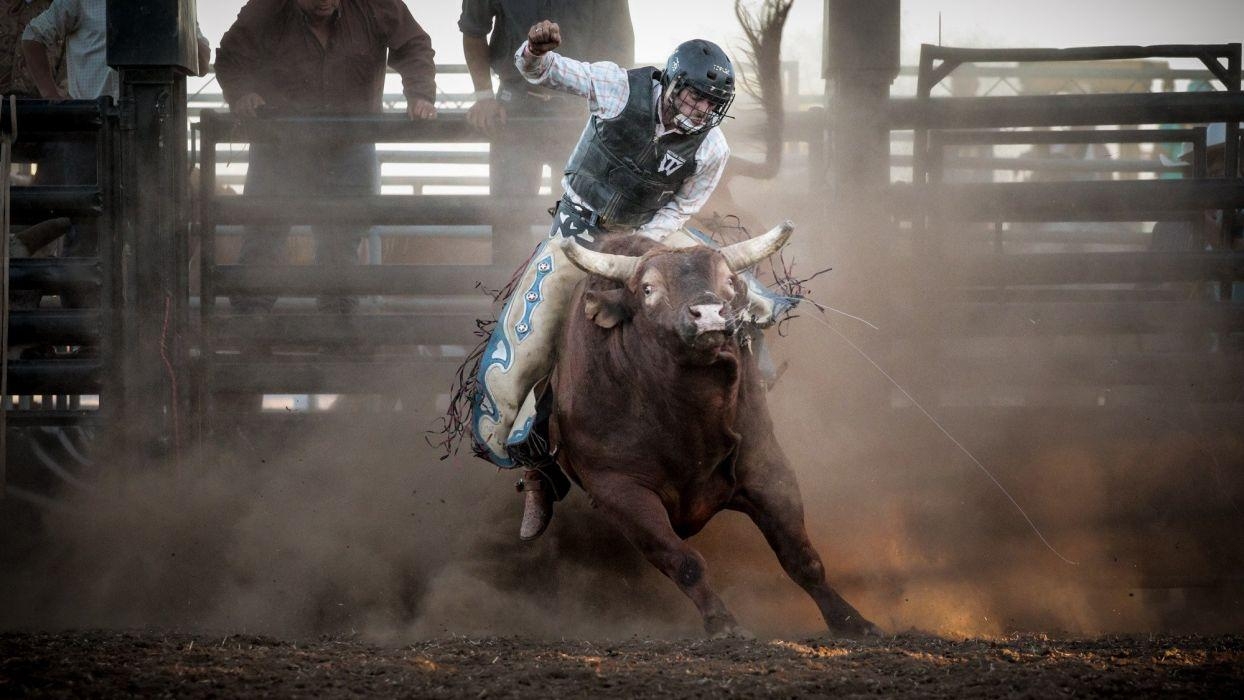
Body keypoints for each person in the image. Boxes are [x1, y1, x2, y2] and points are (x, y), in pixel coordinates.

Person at [470, 20, 791, 541]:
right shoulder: (617, 87)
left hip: (647, 238)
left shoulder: (712, 150)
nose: (698, 111)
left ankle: (751, 383)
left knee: (741, 290)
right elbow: (540, 73)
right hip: (577, 230)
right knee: (530, 338)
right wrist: (532, 50)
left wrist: (642, 251)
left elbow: (685, 205)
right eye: (692, 96)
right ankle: (535, 468)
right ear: (671, 84)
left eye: (710, 105)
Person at [214, 0, 436, 314]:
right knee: (262, 244)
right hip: (280, 149)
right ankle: (253, 341)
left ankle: (337, 342)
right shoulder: (267, 7)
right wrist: (241, 93)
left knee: (341, 249)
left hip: (349, 147)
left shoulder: (376, 4)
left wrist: (419, 93)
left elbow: (414, 44)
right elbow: (231, 56)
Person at [459, 1, 633, 192]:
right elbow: (473, 28)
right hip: (513, 111)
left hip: (579, 112)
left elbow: (619, 45)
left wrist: (611, 110)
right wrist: (484, 96)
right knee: (508, 209)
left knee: (577, 210)